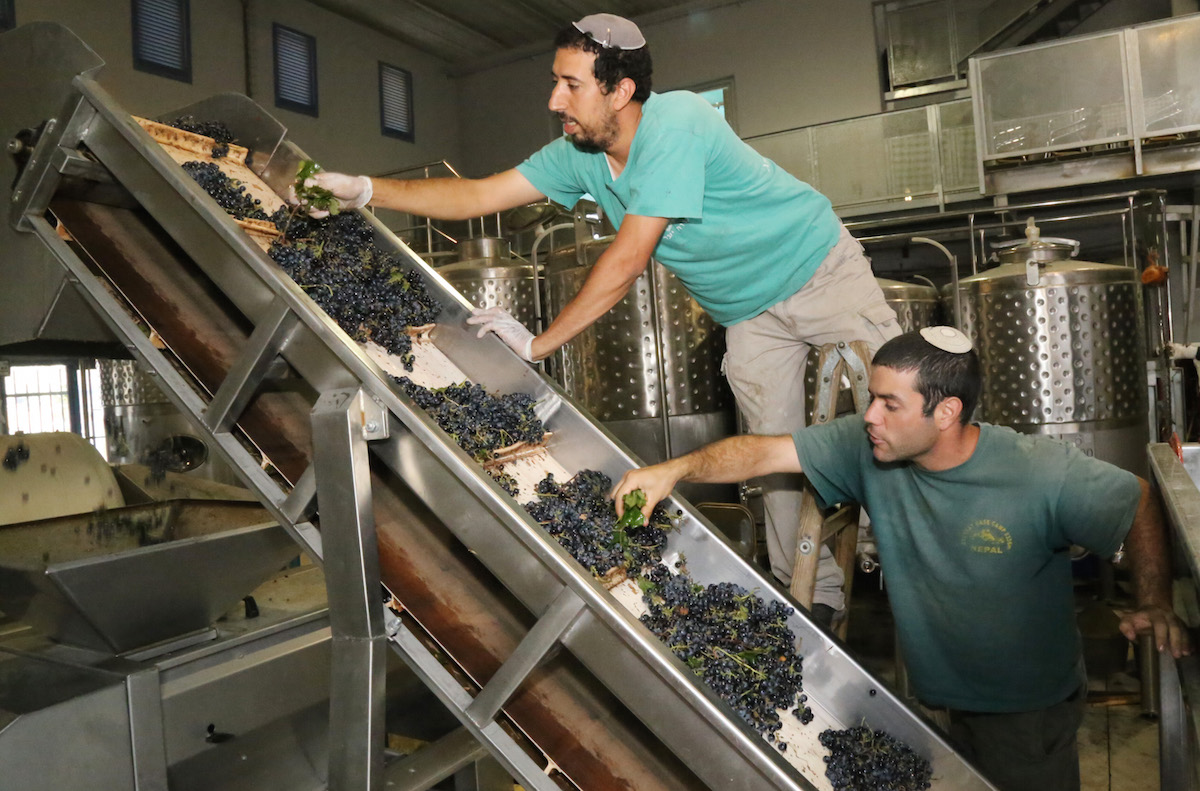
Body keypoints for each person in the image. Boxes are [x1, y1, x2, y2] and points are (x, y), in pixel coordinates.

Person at [300, 12, 900, 619]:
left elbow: (628, 259)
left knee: (905, 415)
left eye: (572, 84)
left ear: (620, 90)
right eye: (555, 81)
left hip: (819, 269)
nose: (555, 99)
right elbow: (478, 195)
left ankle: (919, 558)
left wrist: (539, 345)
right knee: (771, 457)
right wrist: (367, 189)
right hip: (746, 312)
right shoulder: (581, 154)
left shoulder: (679, 123)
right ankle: (814, 598)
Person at [610, 326, 1191, 791]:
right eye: (871, 400)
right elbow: (760, 453)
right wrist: (677, 469)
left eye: (890, 403)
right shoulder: (869, 447)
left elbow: (1135, 497)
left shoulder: (1037, 471)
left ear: (945, 413)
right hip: (927, 701)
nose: (870, 416)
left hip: (1024, 713)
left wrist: (1154, 600)